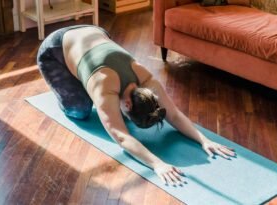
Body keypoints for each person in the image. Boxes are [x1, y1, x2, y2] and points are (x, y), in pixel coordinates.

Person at [37, 25, 236, 186]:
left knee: (105, 106)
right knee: (80, 111)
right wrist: (157, 164)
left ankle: (79, 77)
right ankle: (70, 83)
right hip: (54, 49)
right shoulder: (104, 88)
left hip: (95, 32)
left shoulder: (148, 81)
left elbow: (173, 115)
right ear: (128, 103)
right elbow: (122, 137)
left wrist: (204, 140)